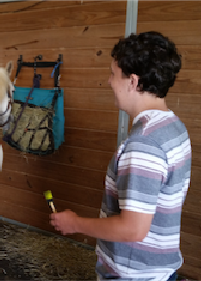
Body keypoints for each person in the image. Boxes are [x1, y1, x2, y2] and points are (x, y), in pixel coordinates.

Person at [50, 31, 191, 281]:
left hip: (134, 272)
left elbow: (133, 228)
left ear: (133, 82)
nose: (108, 82)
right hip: (158, 268)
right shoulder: (173, 127)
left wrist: (75, 224)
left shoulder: (144, 143)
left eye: (113, 74)